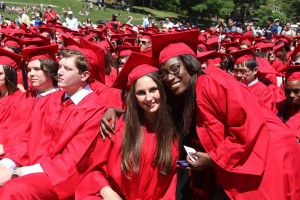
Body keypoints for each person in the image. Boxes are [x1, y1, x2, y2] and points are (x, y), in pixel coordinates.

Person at [101, 30, 300, 199]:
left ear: (190, 65)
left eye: (175, 68)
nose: (170, 77)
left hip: (266, 154)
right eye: (164, 73)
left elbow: (247, 127)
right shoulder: (189, 93)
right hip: (238, 160)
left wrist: (212, 158)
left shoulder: (212, 84)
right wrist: (120, 112)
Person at [0, 49, 111, 199]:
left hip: (61, 177)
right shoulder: (48, 100)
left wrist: (17, 173)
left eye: (68, 69)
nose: (60, 72)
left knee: (14, 190)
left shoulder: (94, 110)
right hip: (32, 167)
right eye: (60, 67)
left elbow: (71, 160)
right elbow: (26, 138)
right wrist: (7, 164)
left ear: (84, 75)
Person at [76, 52, 178, 199]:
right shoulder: (117, 126)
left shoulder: (175, 130)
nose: (149, 98)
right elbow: (94, 169)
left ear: (162, 90)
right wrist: (107, 192)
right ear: (134, 97)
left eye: (153, 90)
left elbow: (173, 185)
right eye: (141, 93)